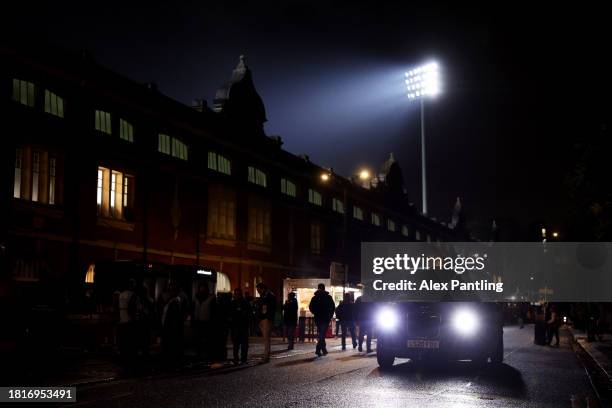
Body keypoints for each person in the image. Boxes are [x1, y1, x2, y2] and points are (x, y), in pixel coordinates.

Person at [309, 283, 336, 357]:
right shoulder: (328, 297)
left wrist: (315, 313)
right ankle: (318, 349)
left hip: (318, 318)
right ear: (324, 288)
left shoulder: (315, 297)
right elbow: (333, 307)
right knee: (322, 334)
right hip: (325, 318)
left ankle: (323, 349)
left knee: (321, 333)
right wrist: (330, 315)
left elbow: (311, 307)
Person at [161, 284, 184, 367]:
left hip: (170, 329)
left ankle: (170, 363)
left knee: (170, 346)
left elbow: (173, 317)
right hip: (169, 328)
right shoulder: (171, 302)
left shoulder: (174, 302)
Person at [117, 279, 138, 364]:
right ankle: (129, 358)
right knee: (129, 341)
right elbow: (132, 308)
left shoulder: (121, 295)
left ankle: (123, 357)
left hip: (122, 319)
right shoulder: (132, 295)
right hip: (129, 321)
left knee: (123, 341)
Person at [193, 283, 215, 361]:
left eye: (203, 288)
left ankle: (206, 355)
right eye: (201, 288)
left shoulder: (210, 298)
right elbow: (194, 309)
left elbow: (213, 311)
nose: (202, 289)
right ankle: (199, 354)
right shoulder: (196, 297)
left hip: (207, 322)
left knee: (206, 339)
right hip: (198, 321)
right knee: (198, 339)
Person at [256, 283, 276, 363]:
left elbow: (270, 308)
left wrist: (267, 317)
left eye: (258, 289)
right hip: (263, 318)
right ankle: (266, 356)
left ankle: (266, 357)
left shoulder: (269, 296)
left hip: (266, 319)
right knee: (265, 339)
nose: (258, 291)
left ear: (263, 288)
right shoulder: (265, 295)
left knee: (266, 339)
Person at [230, 288, 251, 364]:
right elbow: (230, 314)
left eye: (238, 294)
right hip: (235, 326)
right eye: (236, 294)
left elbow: (249, 313)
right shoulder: (233, 303)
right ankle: (236, 358)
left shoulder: (245, 302)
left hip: (243, 326)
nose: (237, 295)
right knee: (236, 344)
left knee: (244, 344)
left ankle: (243, 359)